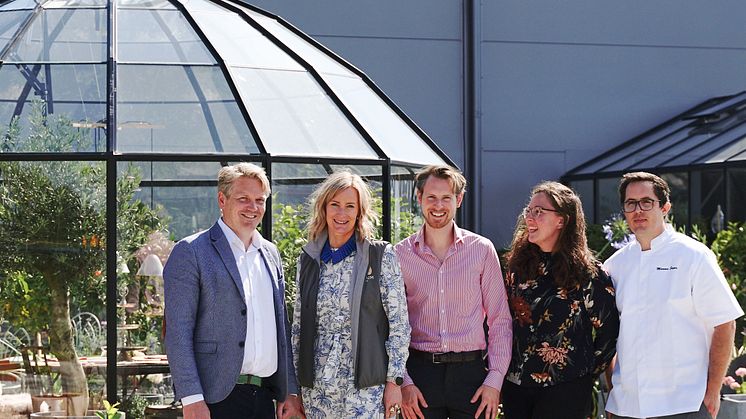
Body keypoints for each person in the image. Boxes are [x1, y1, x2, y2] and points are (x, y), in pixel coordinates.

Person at [164, 163, 304, 419]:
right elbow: (177, 332)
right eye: (243, 199)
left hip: (264, 397)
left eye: (259, 200)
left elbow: (281, 329)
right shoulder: (192, 252)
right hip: (213, 400)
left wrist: (290, 391)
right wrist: (191, 398)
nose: (253, 207)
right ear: (222, 199)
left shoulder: (270, 254)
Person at [604, 171, 744, 419]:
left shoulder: (694, 256)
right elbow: (608, 334)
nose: (638, 210)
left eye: (647, 202)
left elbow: (725, 323)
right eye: (630, 203)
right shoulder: (615, 265)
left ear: (665, 207)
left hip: (684, 404)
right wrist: (615, 392)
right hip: (628, 407)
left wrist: (712, 391)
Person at [395, 164, 512, 419]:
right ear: (419, 198)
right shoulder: (399, 255)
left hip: (472, 377)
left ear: (458, 200)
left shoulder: (481, 250)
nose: (438, 205)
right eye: (431, 198)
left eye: (446, 198)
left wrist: (494, 379)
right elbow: (389, 324)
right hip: (420, 378)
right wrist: (403, 381)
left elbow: (500, 319)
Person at [292, 170, 411, 418]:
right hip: (317, 386)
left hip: (366, 388)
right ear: (323, 208)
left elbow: (400, 325)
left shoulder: (380, 256)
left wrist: (394, 382)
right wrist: (296, 388)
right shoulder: (308, 259)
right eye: (334, 205)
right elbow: (297, 329)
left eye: (349, 206)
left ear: (360, 211)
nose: (341, 214)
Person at [501, 181, 619, 419]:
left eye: (539, 212)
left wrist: (582, 373)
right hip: (516, 386)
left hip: (567, 389)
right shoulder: (517, 268)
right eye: (529, 211)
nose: (530, 218)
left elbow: (609, 333)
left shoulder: (588, 273)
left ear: (562, 221)